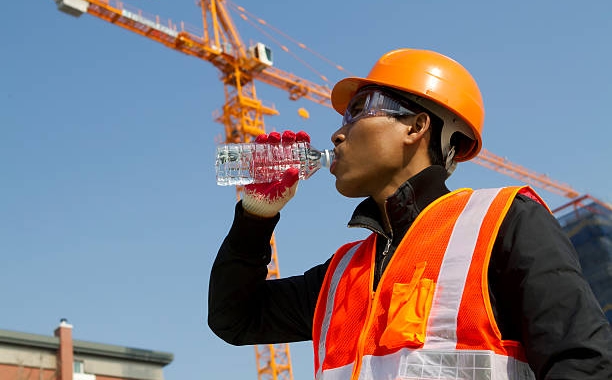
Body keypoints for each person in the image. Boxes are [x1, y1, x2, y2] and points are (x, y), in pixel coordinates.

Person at [208, 49, 612, 379]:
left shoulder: (502, 223)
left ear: (416, 126)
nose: (337, 133)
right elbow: (235, 318)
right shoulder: (343, 275)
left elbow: (582, 363)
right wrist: (255, 216)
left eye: (359, 110)